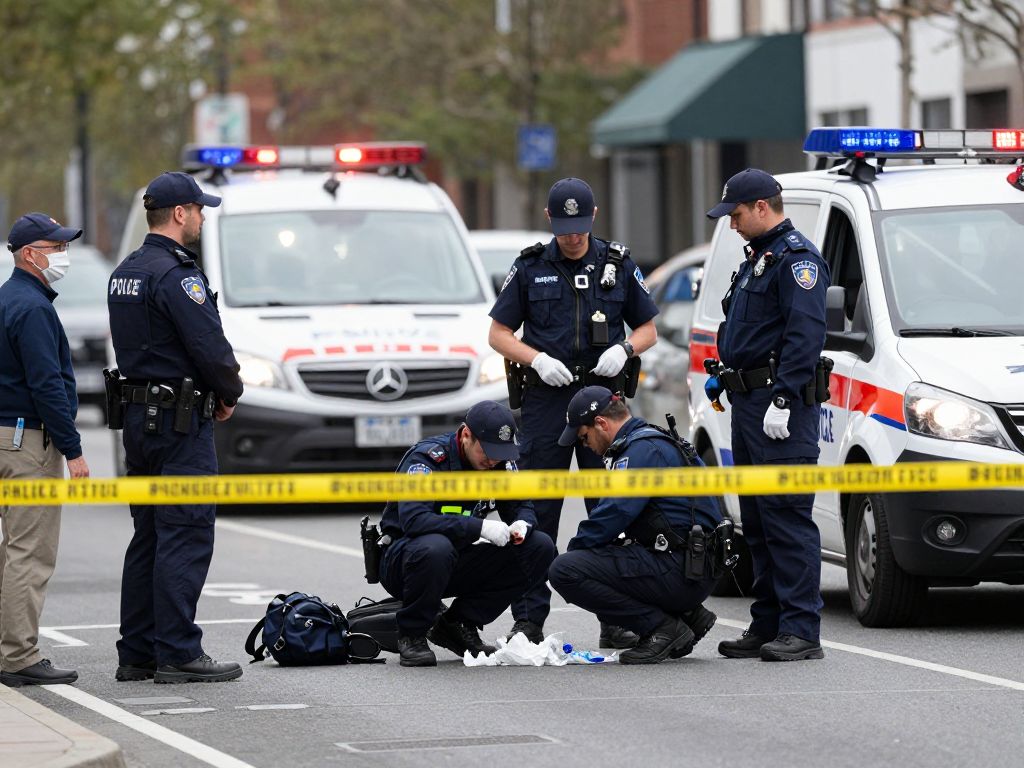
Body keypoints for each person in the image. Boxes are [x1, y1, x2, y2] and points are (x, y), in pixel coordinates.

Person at [488, 177, 659, 648]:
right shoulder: (529, 267)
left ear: (594, 216)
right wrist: (535, 359)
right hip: (547, 399)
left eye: (580, 228)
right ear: (549, 221)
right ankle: (529, 620)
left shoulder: (618, 264)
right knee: (537, 511)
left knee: (609, 508)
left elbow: (648, 328)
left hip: (603, 400)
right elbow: (499, 333)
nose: (572, 237)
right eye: (564, 229)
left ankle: (613, 616)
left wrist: (624, 350)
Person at [108, 172, 244, 683]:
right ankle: (179, 651)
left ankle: (138, 652)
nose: (203, 218)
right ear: (180, 213)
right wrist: (229, 392)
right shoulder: (176, 275)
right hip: (180, 424)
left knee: (148, 536)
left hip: (139, 425)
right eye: (200, 210)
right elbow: (209, 347)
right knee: (183, 534)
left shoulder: (125, 271)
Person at [705, 168, 829, 662]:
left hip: (782, 409)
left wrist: (783, 397)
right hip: (747, 404)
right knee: (755, 520)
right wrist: (725, 372)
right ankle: (769, 622)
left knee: (787, 519)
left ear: (762, 207)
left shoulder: (797, 261)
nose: (731, 225)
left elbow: (805, 334)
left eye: (735, 215)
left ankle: (802, 630)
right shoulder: (758, 259)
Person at [547, 387, 722, 664]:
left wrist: (575, 551)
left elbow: (613, 513)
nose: (585, 446)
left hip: (681, 569)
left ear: (602, 424)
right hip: (692, 566)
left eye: (584, 437)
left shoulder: (639, 451)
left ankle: (662, 628)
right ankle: (688, 615)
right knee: (609, 551)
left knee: (565, 571)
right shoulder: (650, 440)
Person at [377, 401, 556, 667]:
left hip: (456, 557)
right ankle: (412, 635)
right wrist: (479, 528)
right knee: (436, 547)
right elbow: (415, 520)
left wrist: (522, 525)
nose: (493, 459)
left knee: (539, 546)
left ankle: (459, 623)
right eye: (487, 451)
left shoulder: (498, 464)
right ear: (465, 435)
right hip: (406, 560)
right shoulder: (427, 460)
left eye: (500, 452)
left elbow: (523, 506)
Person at [0, 213, 89, 687]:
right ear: (29, 254)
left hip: (6, 435)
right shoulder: (32, 308)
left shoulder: (6, 299)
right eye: (54, 247)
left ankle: (6, 646)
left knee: (11, 552)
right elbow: (46, 384)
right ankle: (18, 656)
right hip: (26, 442)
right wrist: (73, 449)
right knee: (30, 553)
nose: (62, 255)